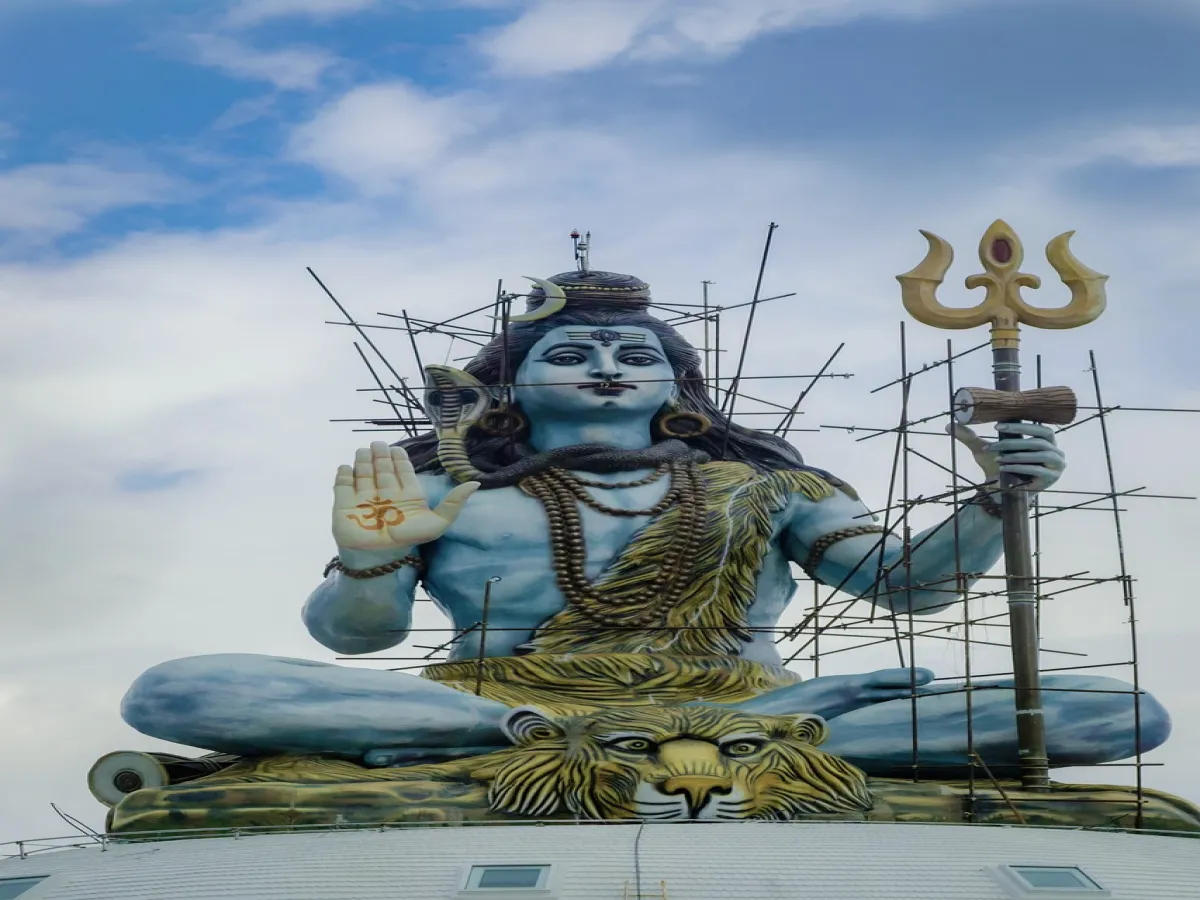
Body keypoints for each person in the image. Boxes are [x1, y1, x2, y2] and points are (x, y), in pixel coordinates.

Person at [122, 270, 1168, 776]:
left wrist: (995, 501)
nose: (608, 367)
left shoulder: (769, 486)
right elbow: (359, 642)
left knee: (1121, 713)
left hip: (762, 700)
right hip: (495, 702)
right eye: (571, 355)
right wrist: (369, 561)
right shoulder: (450, 490)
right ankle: (563, 737)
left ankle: (702, 735)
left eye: (636, 356)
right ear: (509, 389)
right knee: (175, 690)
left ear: (678, 388)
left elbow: (911, 588)